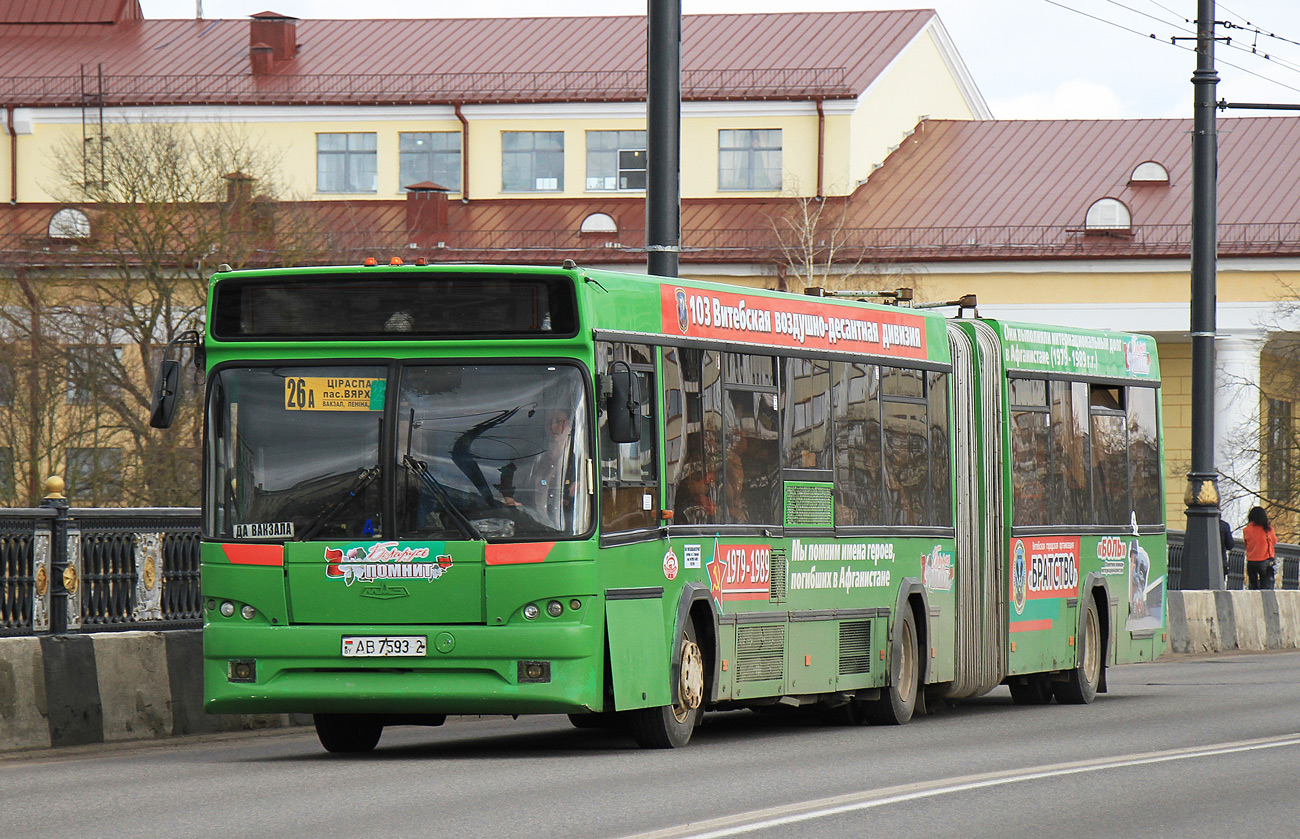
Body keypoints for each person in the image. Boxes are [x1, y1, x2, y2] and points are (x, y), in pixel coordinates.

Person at [1243, 506, 1278, 590]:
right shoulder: (1268, 529)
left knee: (1253, 586)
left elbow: (1246, 543)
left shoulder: (1246, 530)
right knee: (1266, 587)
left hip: (1251, 561)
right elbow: (1274, 541)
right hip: (1265, 560)